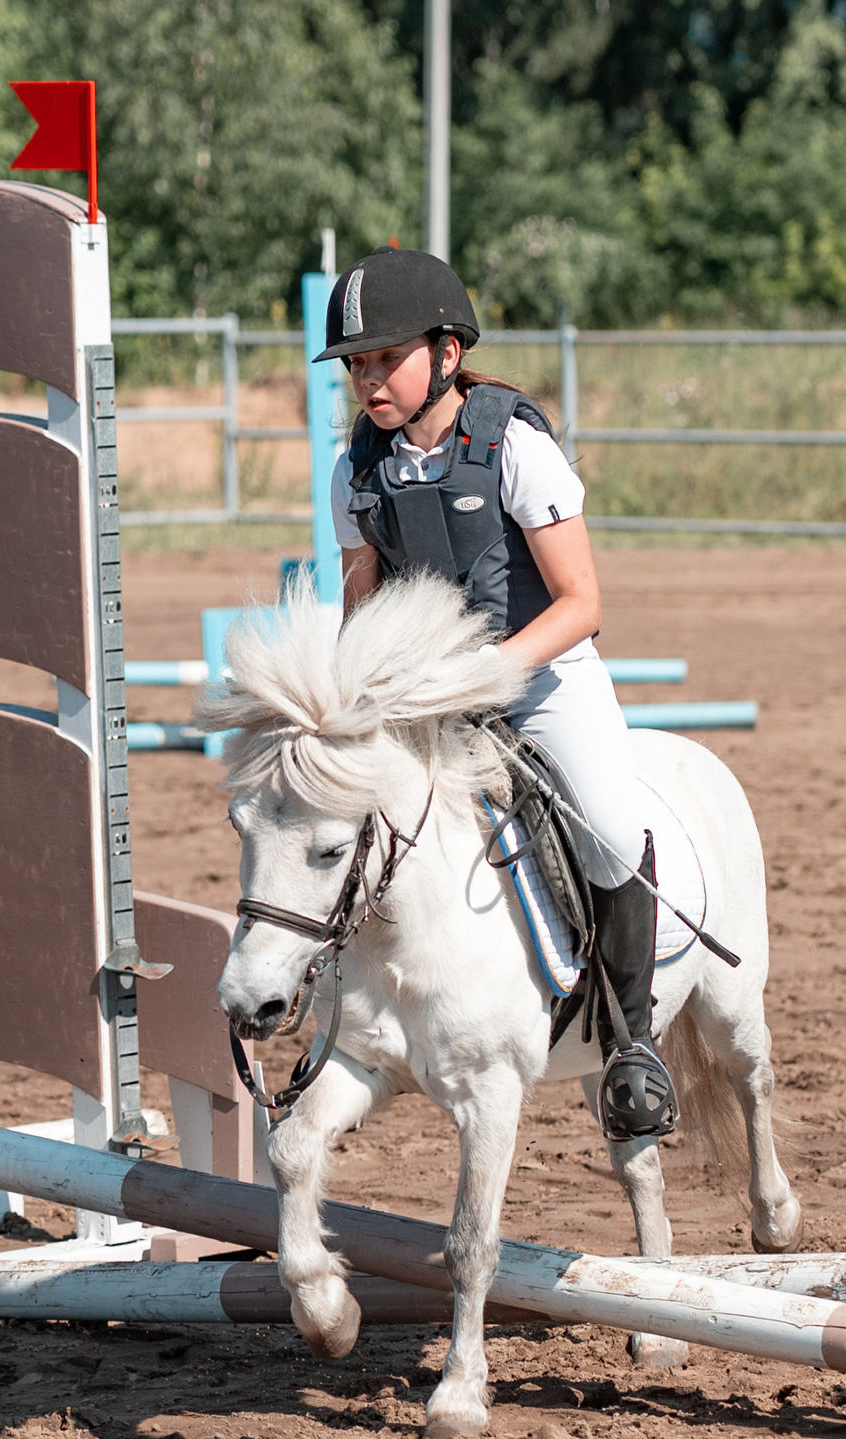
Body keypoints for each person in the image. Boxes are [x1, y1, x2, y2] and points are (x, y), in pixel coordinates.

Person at [314, 245, 675, 1140]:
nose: (367, 380)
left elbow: (582, 604)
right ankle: (338, 1008)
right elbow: (359, 607)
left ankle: (634, 1040)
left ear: (444, 351)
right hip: (428, 696)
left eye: (382, 358)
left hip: (542, 677)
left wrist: (488, 673)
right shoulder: (356, 471)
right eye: (356, 364)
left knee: (609, 827)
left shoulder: (513, 442)